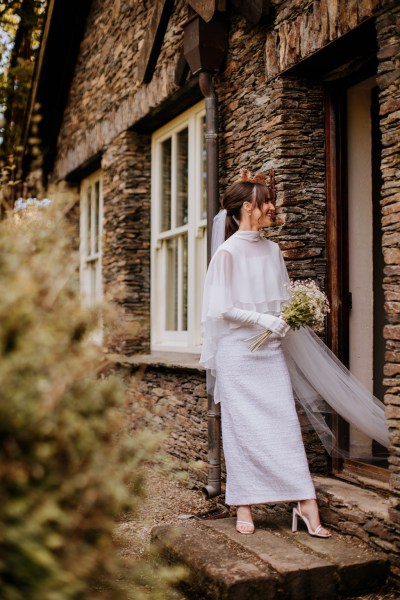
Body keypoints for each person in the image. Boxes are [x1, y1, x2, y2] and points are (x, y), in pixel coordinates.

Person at [200, 170, 331, 537]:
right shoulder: (226, 252)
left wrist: (287, 318)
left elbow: (282, 297)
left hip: (270, 349)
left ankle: (304, 501)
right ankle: (244, 503)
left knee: (284, 424)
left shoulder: (273, 250)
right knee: (242, 429)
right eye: (266, 201)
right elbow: (220, 307)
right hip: (237, 353)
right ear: (247, 207)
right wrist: (263, 319)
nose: (273, 207)